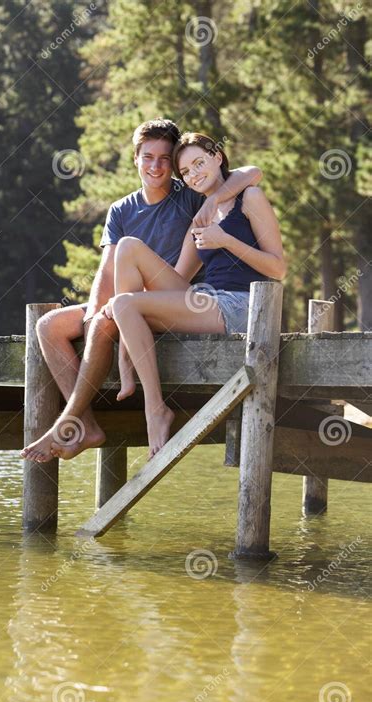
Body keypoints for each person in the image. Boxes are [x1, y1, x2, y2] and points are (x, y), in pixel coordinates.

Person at [21, 121, 262, 462]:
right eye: (148, 157)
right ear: (135, 159)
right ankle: (86, 426)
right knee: (49, 326)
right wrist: (93, 312)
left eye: (165, 159)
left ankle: (66, 422)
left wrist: (214, 202)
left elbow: (251, 172)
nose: (156, 166)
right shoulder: (121, 209)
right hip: (129, 300)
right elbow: (106, 270)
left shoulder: (190, 194)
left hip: (178, 300)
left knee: (115, 304)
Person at [104, 132, 287, 458]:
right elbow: (178, 277)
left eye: (199, 163)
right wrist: (131, 309)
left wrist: (226, 240)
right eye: (186, 172)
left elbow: (278, 268)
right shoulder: (200, 216)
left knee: (125, 304)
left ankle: (155, 409)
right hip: (204, 298)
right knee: (128, 249)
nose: (194, 174)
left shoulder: (250, 198)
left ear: (218, 157)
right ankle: (125, 351)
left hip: (240, 305)